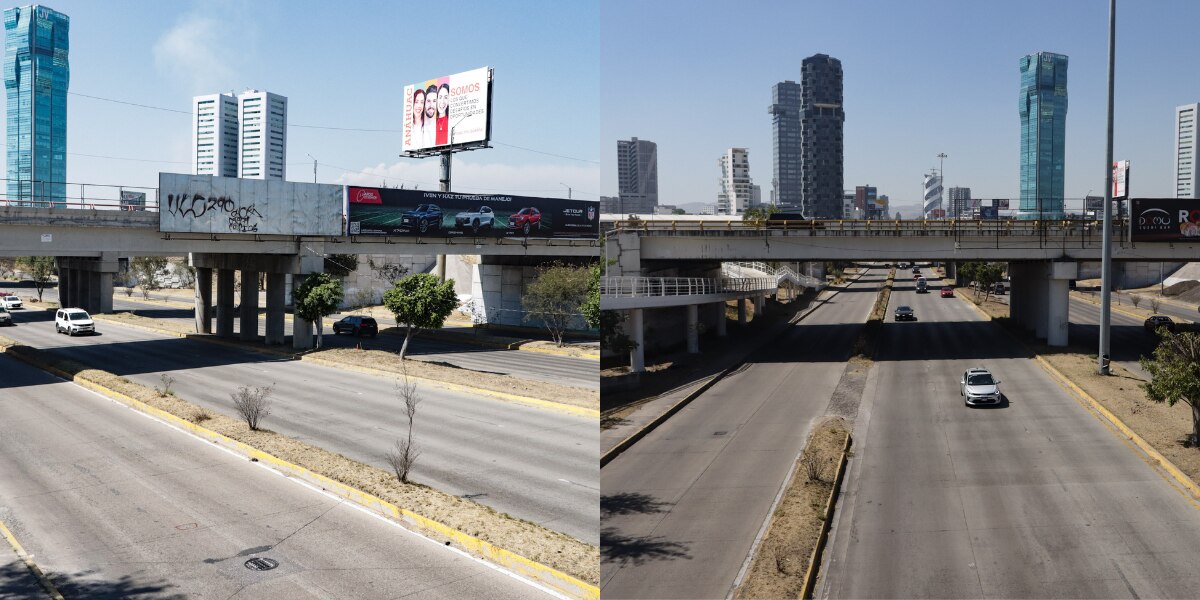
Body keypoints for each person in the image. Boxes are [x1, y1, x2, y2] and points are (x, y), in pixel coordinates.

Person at [422, 84, 438, 149]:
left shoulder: (439, 127)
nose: (431, 105)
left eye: (434, 101)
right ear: (424, 102)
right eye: (428, 101)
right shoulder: (417, 126)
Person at [436, 82, 450, 146]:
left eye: (446, 97)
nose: (442, 101)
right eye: (440, 97)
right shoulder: (430, 123)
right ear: (437, 99)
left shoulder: (451, 122)